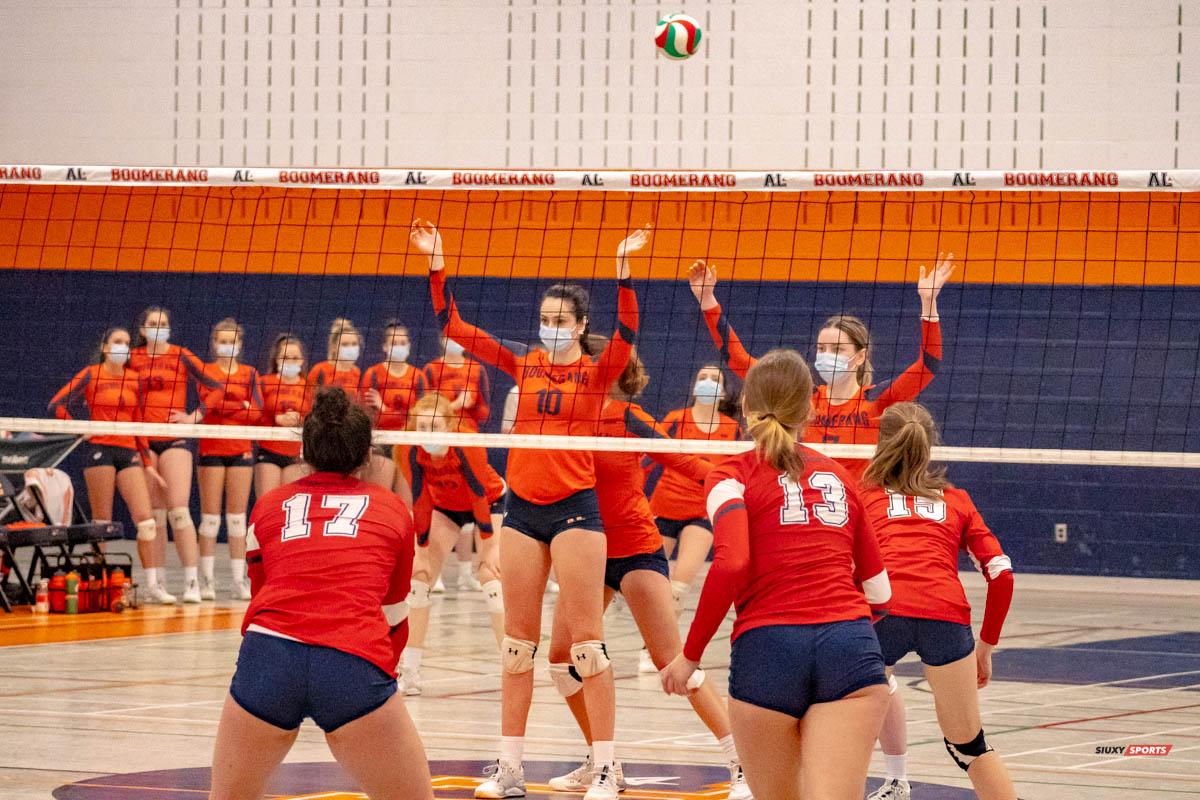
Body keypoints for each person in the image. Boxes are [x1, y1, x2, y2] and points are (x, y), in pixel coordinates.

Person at [413, 218, 648, 800]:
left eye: (561, 321)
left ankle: (603, 771)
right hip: (522, 512)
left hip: (576, 513)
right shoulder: (524, 363)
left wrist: (623, 273)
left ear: (580, 326)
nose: (550, 328)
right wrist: (438, 262)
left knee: (586, 648)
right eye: (545, 319)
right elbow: (455, 326)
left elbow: (627, 331)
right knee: (518, 645)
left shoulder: (596, 375)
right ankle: (510, 769)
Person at [661, 349, 891, 800]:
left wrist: (689, 656)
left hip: (768, 651)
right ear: (810, 407)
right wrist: (846, 637)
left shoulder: (730, 478)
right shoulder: (842, 478)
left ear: (744, 406)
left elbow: (731, 563)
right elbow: (880, 595)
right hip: (849, 645)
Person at [546, 346, 751, 800]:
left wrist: (735, 487)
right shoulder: (563, 417)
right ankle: (603, 764)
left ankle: (742, 765)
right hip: (586, 551)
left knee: (673, 663)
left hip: (636, 547)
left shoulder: (628, 416)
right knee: (561, 659)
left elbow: (684, 460)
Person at [208, 388, 433, 800]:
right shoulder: (393, 510)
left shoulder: (268, 506)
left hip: (269, 658)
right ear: (368, 455)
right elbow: (396, 609)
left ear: (303, 451)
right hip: (353, 660)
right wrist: (381, 677)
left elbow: (262, 593)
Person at [860, 403, 1016, 800]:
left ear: (880, 444)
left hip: (882, 613)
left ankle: (888, 778)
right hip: (945, 616)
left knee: (843, 734)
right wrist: (986, 646)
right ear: (929, 448)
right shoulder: (957, 500)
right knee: (969, 747)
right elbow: (1001, 574)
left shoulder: (862, 495)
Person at [688, 254, 955, 479]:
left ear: (860, 357)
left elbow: (928, 365)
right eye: (822, 348)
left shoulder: (875, 400)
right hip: (810, 507)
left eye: (838, 349)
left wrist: (928, 302)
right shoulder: (806, 397)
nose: (827, 355)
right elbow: (739, 360)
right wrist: (708, 301)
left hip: (859, 511)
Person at [393, 393, 506, 696]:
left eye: (435, 426)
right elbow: (420, 498)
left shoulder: (466, 443)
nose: (428, 434)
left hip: (489, 502)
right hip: (445, 507)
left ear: (450, 425)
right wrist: (422, 548)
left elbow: (479, 495)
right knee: (419, 578)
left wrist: (490, 546)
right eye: (422, 427)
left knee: (489, 575)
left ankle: (513, 667)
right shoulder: (409, 448)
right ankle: (412, 671)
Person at [49, 328, 168, 599]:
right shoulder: (92, 373)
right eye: (117, 342)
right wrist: (79, 428)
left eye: (126, 343)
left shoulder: (135, 379)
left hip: (128, 451)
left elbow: (139, 422)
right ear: (105, 347)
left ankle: (152, 585)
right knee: (102, 521)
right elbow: (57, 404)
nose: (123, 347)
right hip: (100, 449)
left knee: (146, 521)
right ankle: (100, 581)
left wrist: (147, 462)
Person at [644, 363, 741, 671]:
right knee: (652, 584)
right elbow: (647, 456)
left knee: (678, 588)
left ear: (723, 391)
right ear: (694, 385)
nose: (708, 382)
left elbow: (738, 472)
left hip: (702, 512)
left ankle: (657, 652)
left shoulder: (733, 429)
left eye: (715, 379)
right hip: (663, 507)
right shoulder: (675, 421)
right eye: (702, 377)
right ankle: (653, 640)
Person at [130, 307, 220, 603]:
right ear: (143, 329)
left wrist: (195, 417)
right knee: (153, 518)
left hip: (175, 439)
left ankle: (192, 581)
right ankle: (157, 583)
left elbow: (216, 387)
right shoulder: (133, 358)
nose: (160, 328)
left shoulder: (181, 354)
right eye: (154, 324)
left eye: (164, 323)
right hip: (144, 440)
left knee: (179, 511)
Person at [196, 318, 262, 601]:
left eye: (232, 340)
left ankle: (239, 581)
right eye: (222, 340)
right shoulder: (206, 371)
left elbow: (257, 413)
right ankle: (206, 580)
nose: (227, 345)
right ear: (214, 344)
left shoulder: (249, 373)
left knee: (237, 520)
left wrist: (230, 407)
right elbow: (208, 404)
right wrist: (240, 405)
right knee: (210, 520)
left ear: (240, 343)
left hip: (240, 449)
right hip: (211, 448)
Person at [361, 320, 426, 492]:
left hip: (409, 443)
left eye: (402, 343)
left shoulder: (418, 377)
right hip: (381, 443)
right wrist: (403, 413)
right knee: (376, 498)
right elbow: (371, 418)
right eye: (394, 343)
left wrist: (384, 408)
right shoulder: (373, 374)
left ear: (409, 345)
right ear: (384, 347)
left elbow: (421, 418)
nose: (399, 346)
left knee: (408, 505)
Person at [254, 333, 311, 499]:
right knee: (267, 504)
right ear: (277, 359)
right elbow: (254, 416)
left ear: (301, 361)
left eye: (295, 358)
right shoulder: (265, 382)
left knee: (289, 509)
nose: (291, 362)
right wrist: (275, 419)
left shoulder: (308, 386)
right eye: (286, 357)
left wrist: (299, 420)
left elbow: (313, 420)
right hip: (269, 451)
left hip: (295, 454)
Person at [307, 318, 363, 405]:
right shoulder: (319, 370)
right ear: (334, 347)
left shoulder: (357, 373)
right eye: (345, 344)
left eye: (354, 344)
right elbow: (308, 402)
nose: (350, 348)